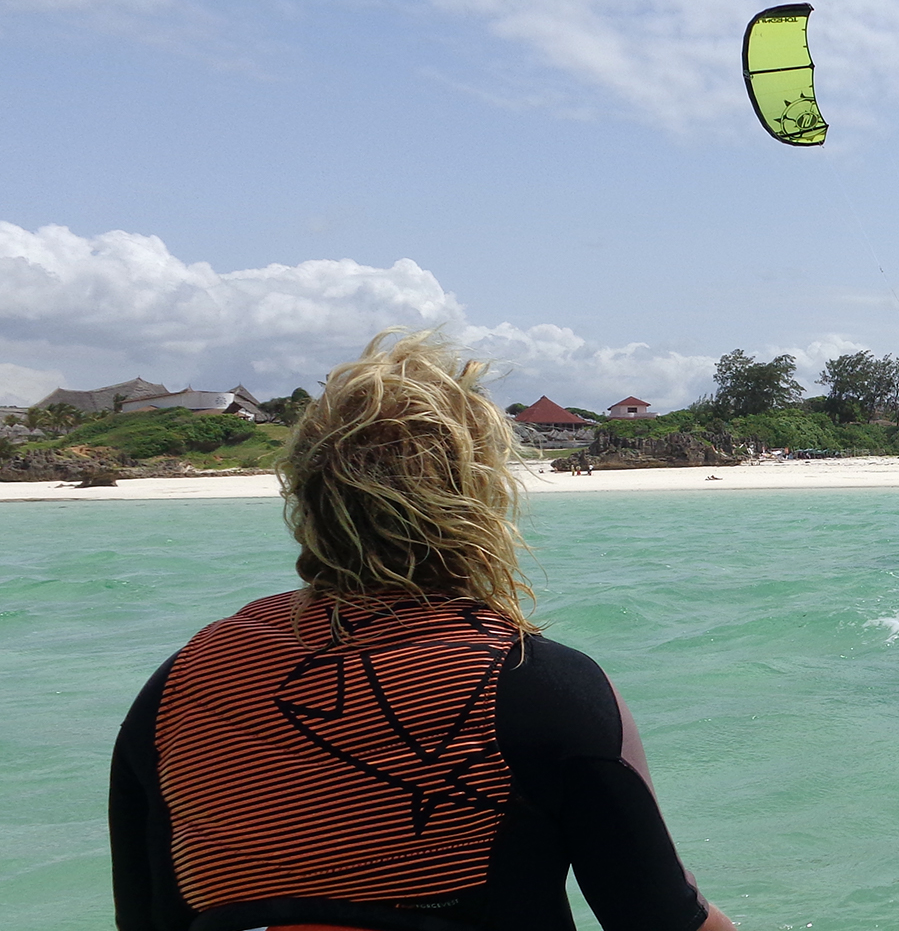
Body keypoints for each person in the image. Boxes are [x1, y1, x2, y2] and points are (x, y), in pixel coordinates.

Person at [109, 330, 736, 931]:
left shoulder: (181, 684)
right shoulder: (540, 688)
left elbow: (147, 916)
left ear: (305, 492)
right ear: (481, 496)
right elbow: (662, 921)